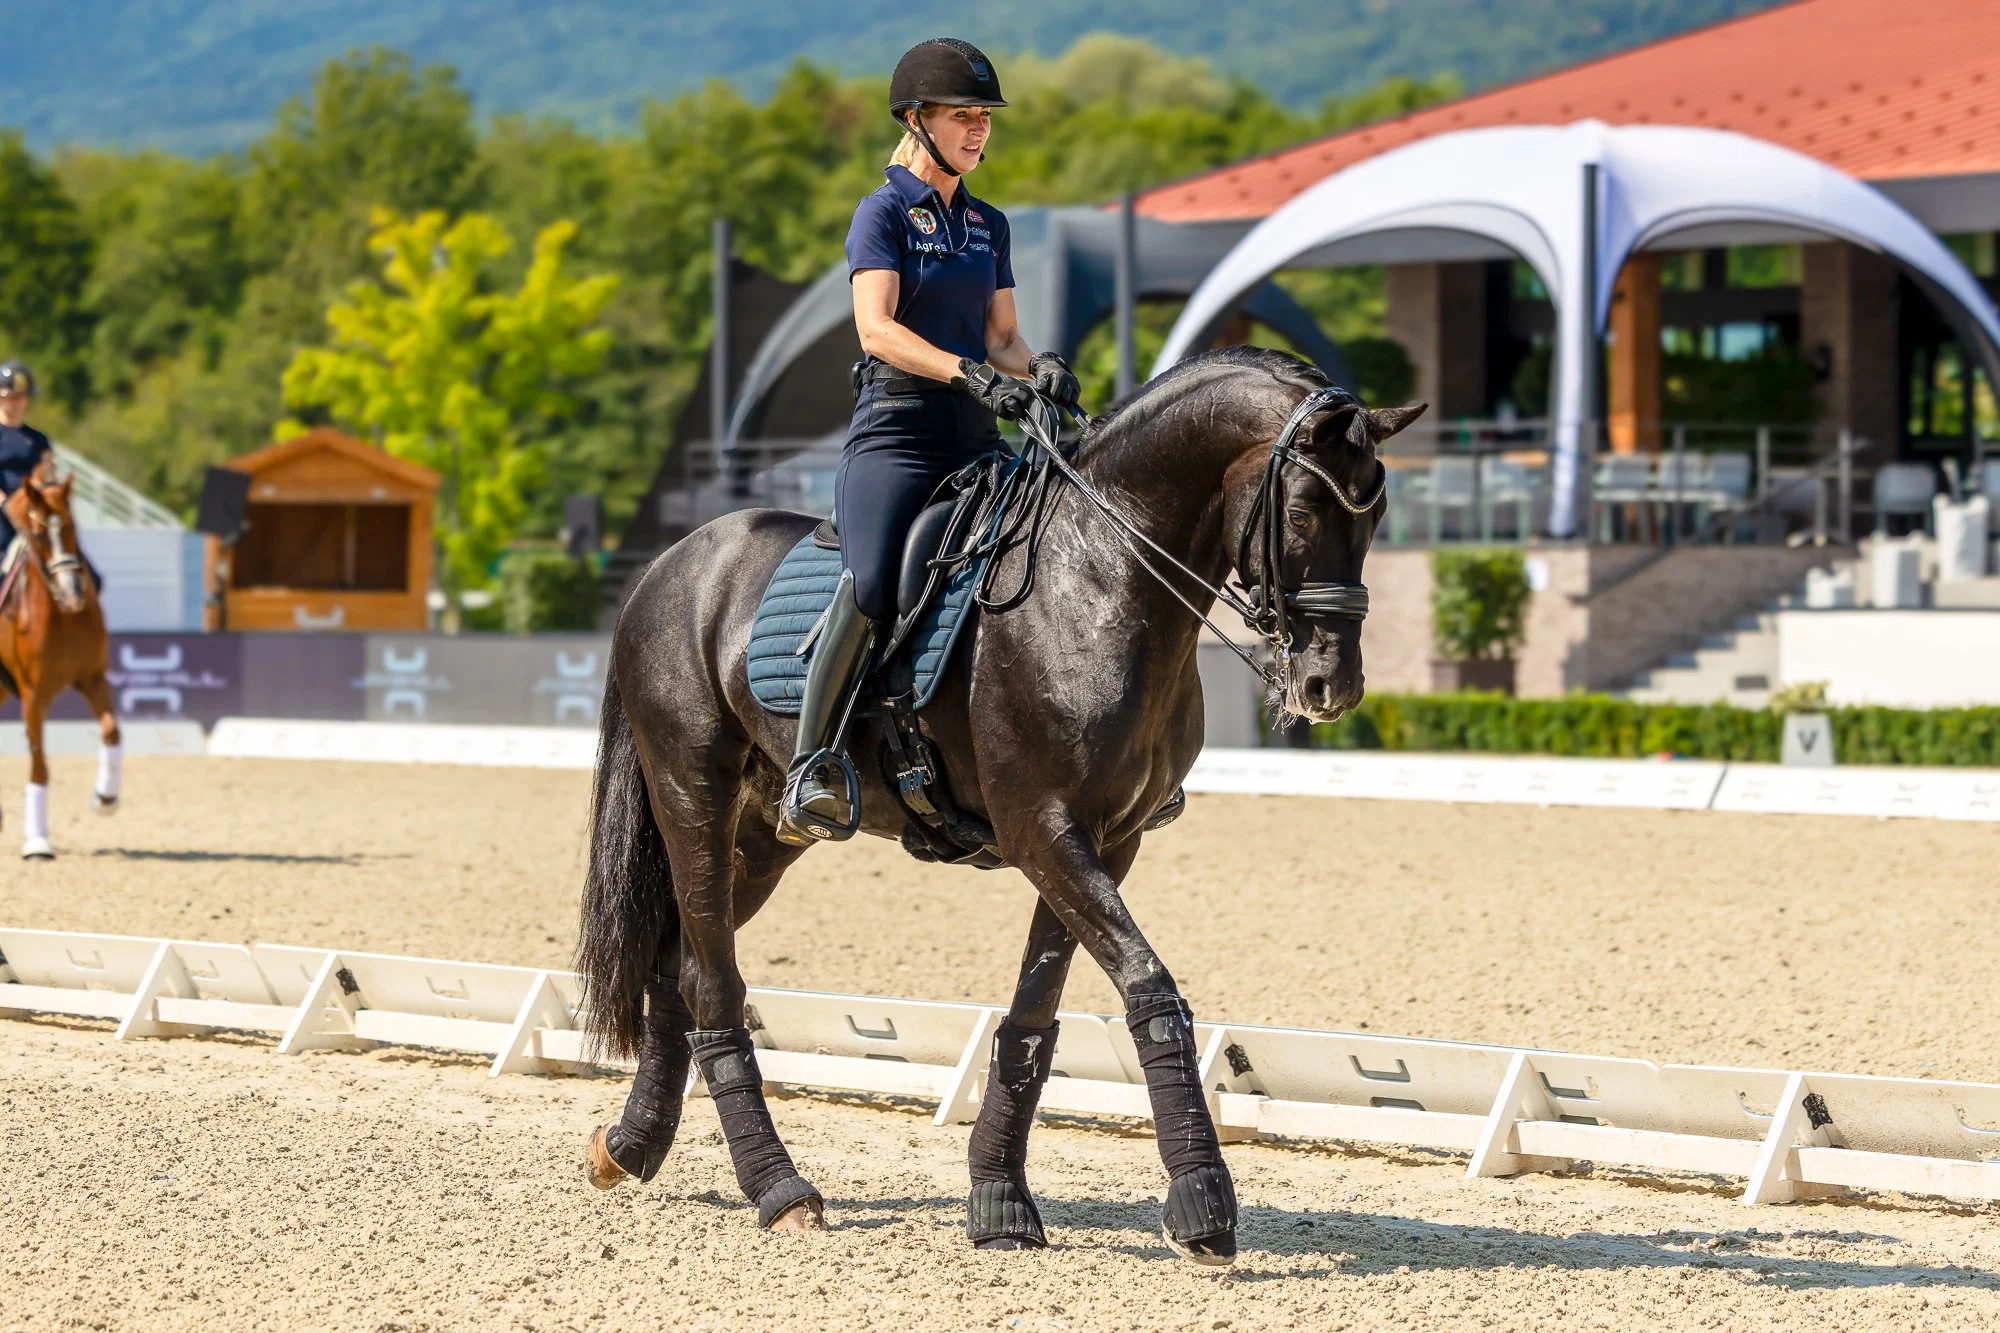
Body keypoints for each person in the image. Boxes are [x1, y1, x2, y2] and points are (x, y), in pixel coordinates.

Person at [777, 37, 1082, 846]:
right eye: (963, 116)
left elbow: (1003, 335)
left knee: (1048, 552)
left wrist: (1038, 367)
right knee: (876, 579)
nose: (979, 131)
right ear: (918, 120)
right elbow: (877, 330)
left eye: (984, 118)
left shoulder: (988, 223)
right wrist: (968, 372)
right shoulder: (880, 214)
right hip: (900, 435)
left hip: (974, 435)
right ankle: (815, 763)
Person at [0, 363, 53, 553]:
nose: (17, 402)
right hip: (3, 512)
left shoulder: (39, 440)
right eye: (11, 397)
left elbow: (48, 478)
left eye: (22, 397)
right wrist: (8, 504)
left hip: (33, 512)